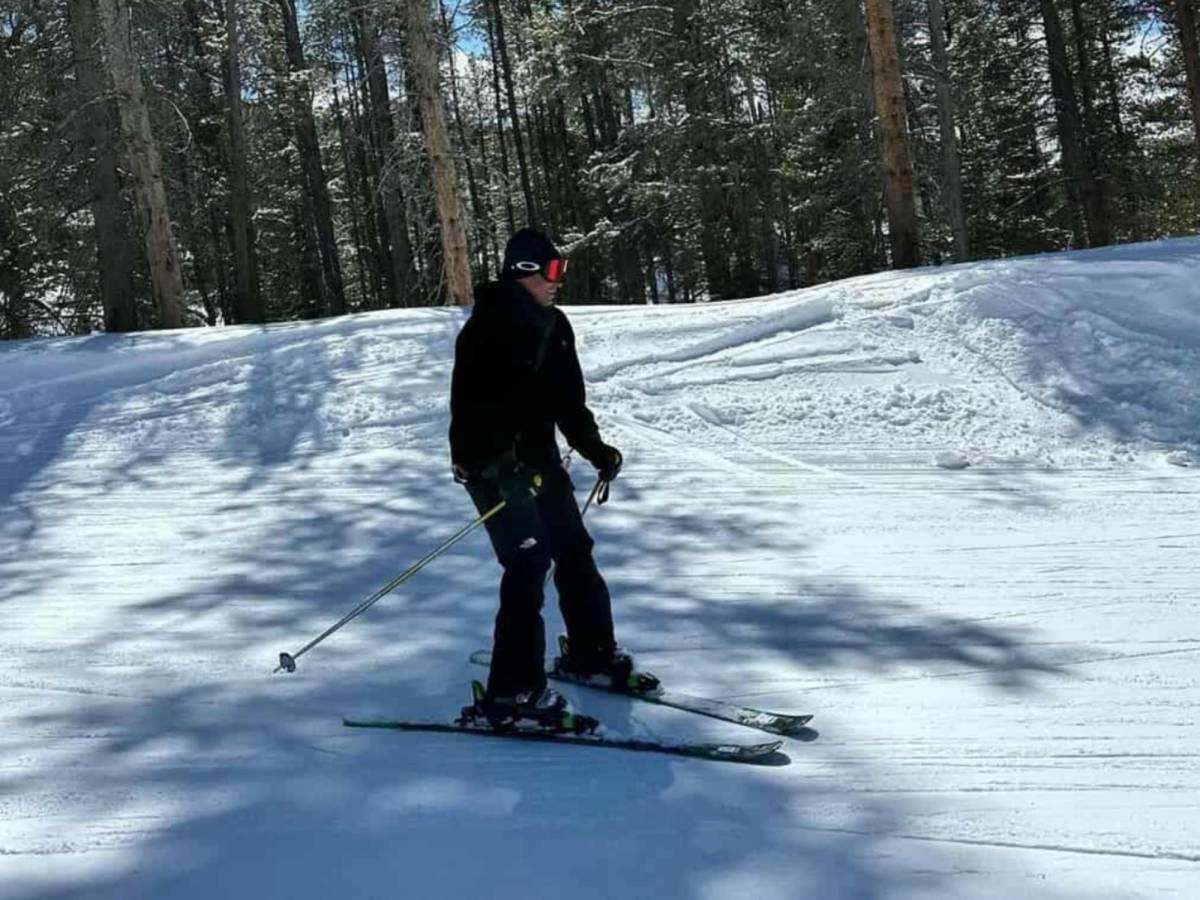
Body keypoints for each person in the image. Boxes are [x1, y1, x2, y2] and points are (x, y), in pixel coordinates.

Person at [449, 228, 655, 729]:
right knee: (528, 563)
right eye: (552, 270)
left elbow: (569, 403)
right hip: (491, 467)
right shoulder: (485, 330)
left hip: (538, 462)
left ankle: (591, 654)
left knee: (573, 548)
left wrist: (596, 451)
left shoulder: (555, 325)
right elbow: (470, 416)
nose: (557, 280)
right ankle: (510, 694)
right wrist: (500, 471)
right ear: (524, 271)